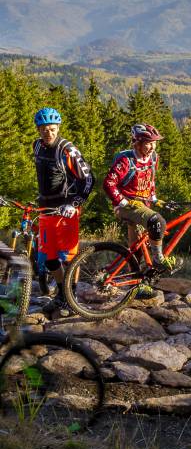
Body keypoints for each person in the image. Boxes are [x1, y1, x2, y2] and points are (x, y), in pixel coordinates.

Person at [103, 123, 180, 296]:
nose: (152, 146)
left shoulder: (153, 158)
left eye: (154, 143)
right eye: (148, 143)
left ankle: (138, 286)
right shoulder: (126, 160)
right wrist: (122, 202)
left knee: (138, 247)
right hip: (128, 206)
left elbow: (150, 180)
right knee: (157, 222)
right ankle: (159, 260)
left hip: (143, 205)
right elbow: (108, 183)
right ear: (137, 142)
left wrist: (154, 198)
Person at [33, 107, 94, 314]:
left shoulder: (67, 149)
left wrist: (74, 204)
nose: (47, 133)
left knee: (68, 257)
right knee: (50, 257)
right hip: (46, 208)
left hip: (66, 209)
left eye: (51, 129)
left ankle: (72, 296)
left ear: (58, 128)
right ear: (38, 130)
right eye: (43, 129)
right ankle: (61, 295)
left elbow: (88, 179)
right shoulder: (37, 147)